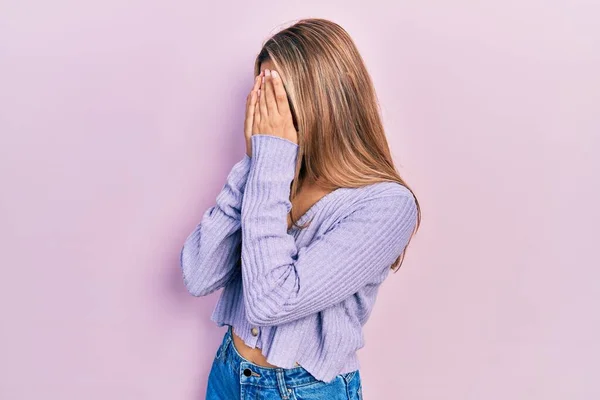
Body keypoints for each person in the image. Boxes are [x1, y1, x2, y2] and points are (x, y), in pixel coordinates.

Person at [180, 18, 421, 400]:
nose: (267, 115)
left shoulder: (387, 205)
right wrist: (254, 164)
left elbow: (270, 302)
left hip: (303, 391)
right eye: (261, 97)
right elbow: (198, 274)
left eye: (277, 99)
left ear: (326, 101)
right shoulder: (273, 177)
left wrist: (269, 159)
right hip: (228, 372)